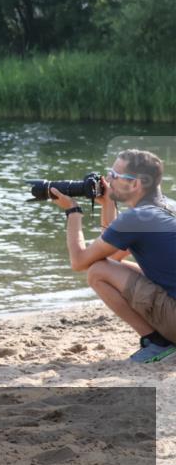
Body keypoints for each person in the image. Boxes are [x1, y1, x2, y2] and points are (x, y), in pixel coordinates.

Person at [49, 149, 175, 362]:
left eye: (115, 176)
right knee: (106, 267)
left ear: (135, 184)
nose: (108, 180)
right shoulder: (167, 206)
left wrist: (72, 212)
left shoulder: (137, 218)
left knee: (97, 272)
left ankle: (157, 343)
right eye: (109, 173)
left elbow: (80, 262)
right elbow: (114, 256)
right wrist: (108, 204)